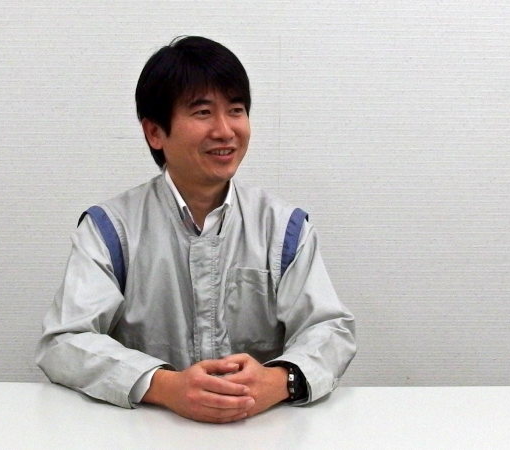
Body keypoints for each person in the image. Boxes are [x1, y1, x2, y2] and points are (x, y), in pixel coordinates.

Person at [36, 36, 356, 424]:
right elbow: (64, 341)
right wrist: (164, 386)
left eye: (236, 110)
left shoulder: (284, 227)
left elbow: (330, 329)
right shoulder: (110, 230)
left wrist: (279, 380)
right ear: (155, 132)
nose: (225, 130)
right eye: (203, 112)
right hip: (145, 430)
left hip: (259, 430)